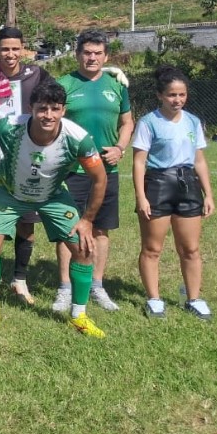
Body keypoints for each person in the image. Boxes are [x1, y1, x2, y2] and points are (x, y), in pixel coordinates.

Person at [0, 81, 108, 338]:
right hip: (7, 192)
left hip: (52, 195)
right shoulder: (9, 126)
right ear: (31, 108)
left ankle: (79, 316)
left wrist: (87, 220)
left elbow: (100, 178)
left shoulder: (78, 138)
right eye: (42, 109)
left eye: (55, 109)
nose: (48, 115)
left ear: (63, 110)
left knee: (84, 248)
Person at [0, 27, 51, 318]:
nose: (10, 54)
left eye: (15, 48)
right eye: (5, 49)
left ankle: (19, 279)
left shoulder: (36, 74)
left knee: (27, 223)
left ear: (23, 49)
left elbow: (60, 95)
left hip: (29, 157)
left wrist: (107, 73)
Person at [56, 30, 133, 313]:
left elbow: (127, 122)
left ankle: (97, 285)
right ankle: (65, 288)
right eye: (87, 52)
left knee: (101, 228)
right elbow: (53, 122)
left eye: (98, 53)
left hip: (107, 169)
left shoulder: (117, 85)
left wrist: (120, 148)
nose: (92, 58)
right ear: (77, 55)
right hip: (72, 169)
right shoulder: (64, 84)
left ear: (106, 56)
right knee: (68, 228)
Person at [132, 65, 215, 320]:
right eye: (171, 95)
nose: (177, 100)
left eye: (182, 95)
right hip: (158, 185)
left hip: (188, 186)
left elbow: (199, 160)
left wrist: (208, 194)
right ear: (160, 95)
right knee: (152, 248)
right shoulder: (148, 122)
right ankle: (154, 299)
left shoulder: (193, 121)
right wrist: (141, 197)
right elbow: (139, 162)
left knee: (190, 248)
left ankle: (194, 299)